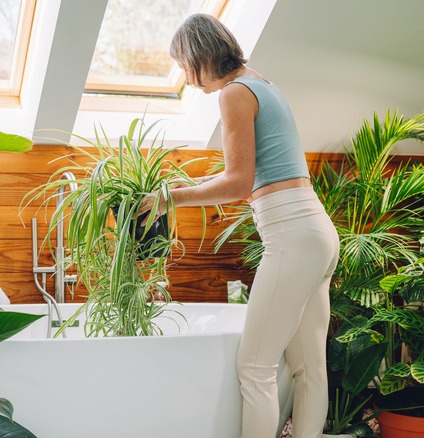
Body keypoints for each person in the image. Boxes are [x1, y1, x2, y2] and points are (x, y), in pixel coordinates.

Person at [137, 13, 340, 438]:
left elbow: (238, 182)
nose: (187, 78)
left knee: (255, 367)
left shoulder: (233, 93)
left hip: (291, 234)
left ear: (199, 56)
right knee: (309, 369)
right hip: (317, 232)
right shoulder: (262, 83)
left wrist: (166, 197)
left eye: (184, 65)